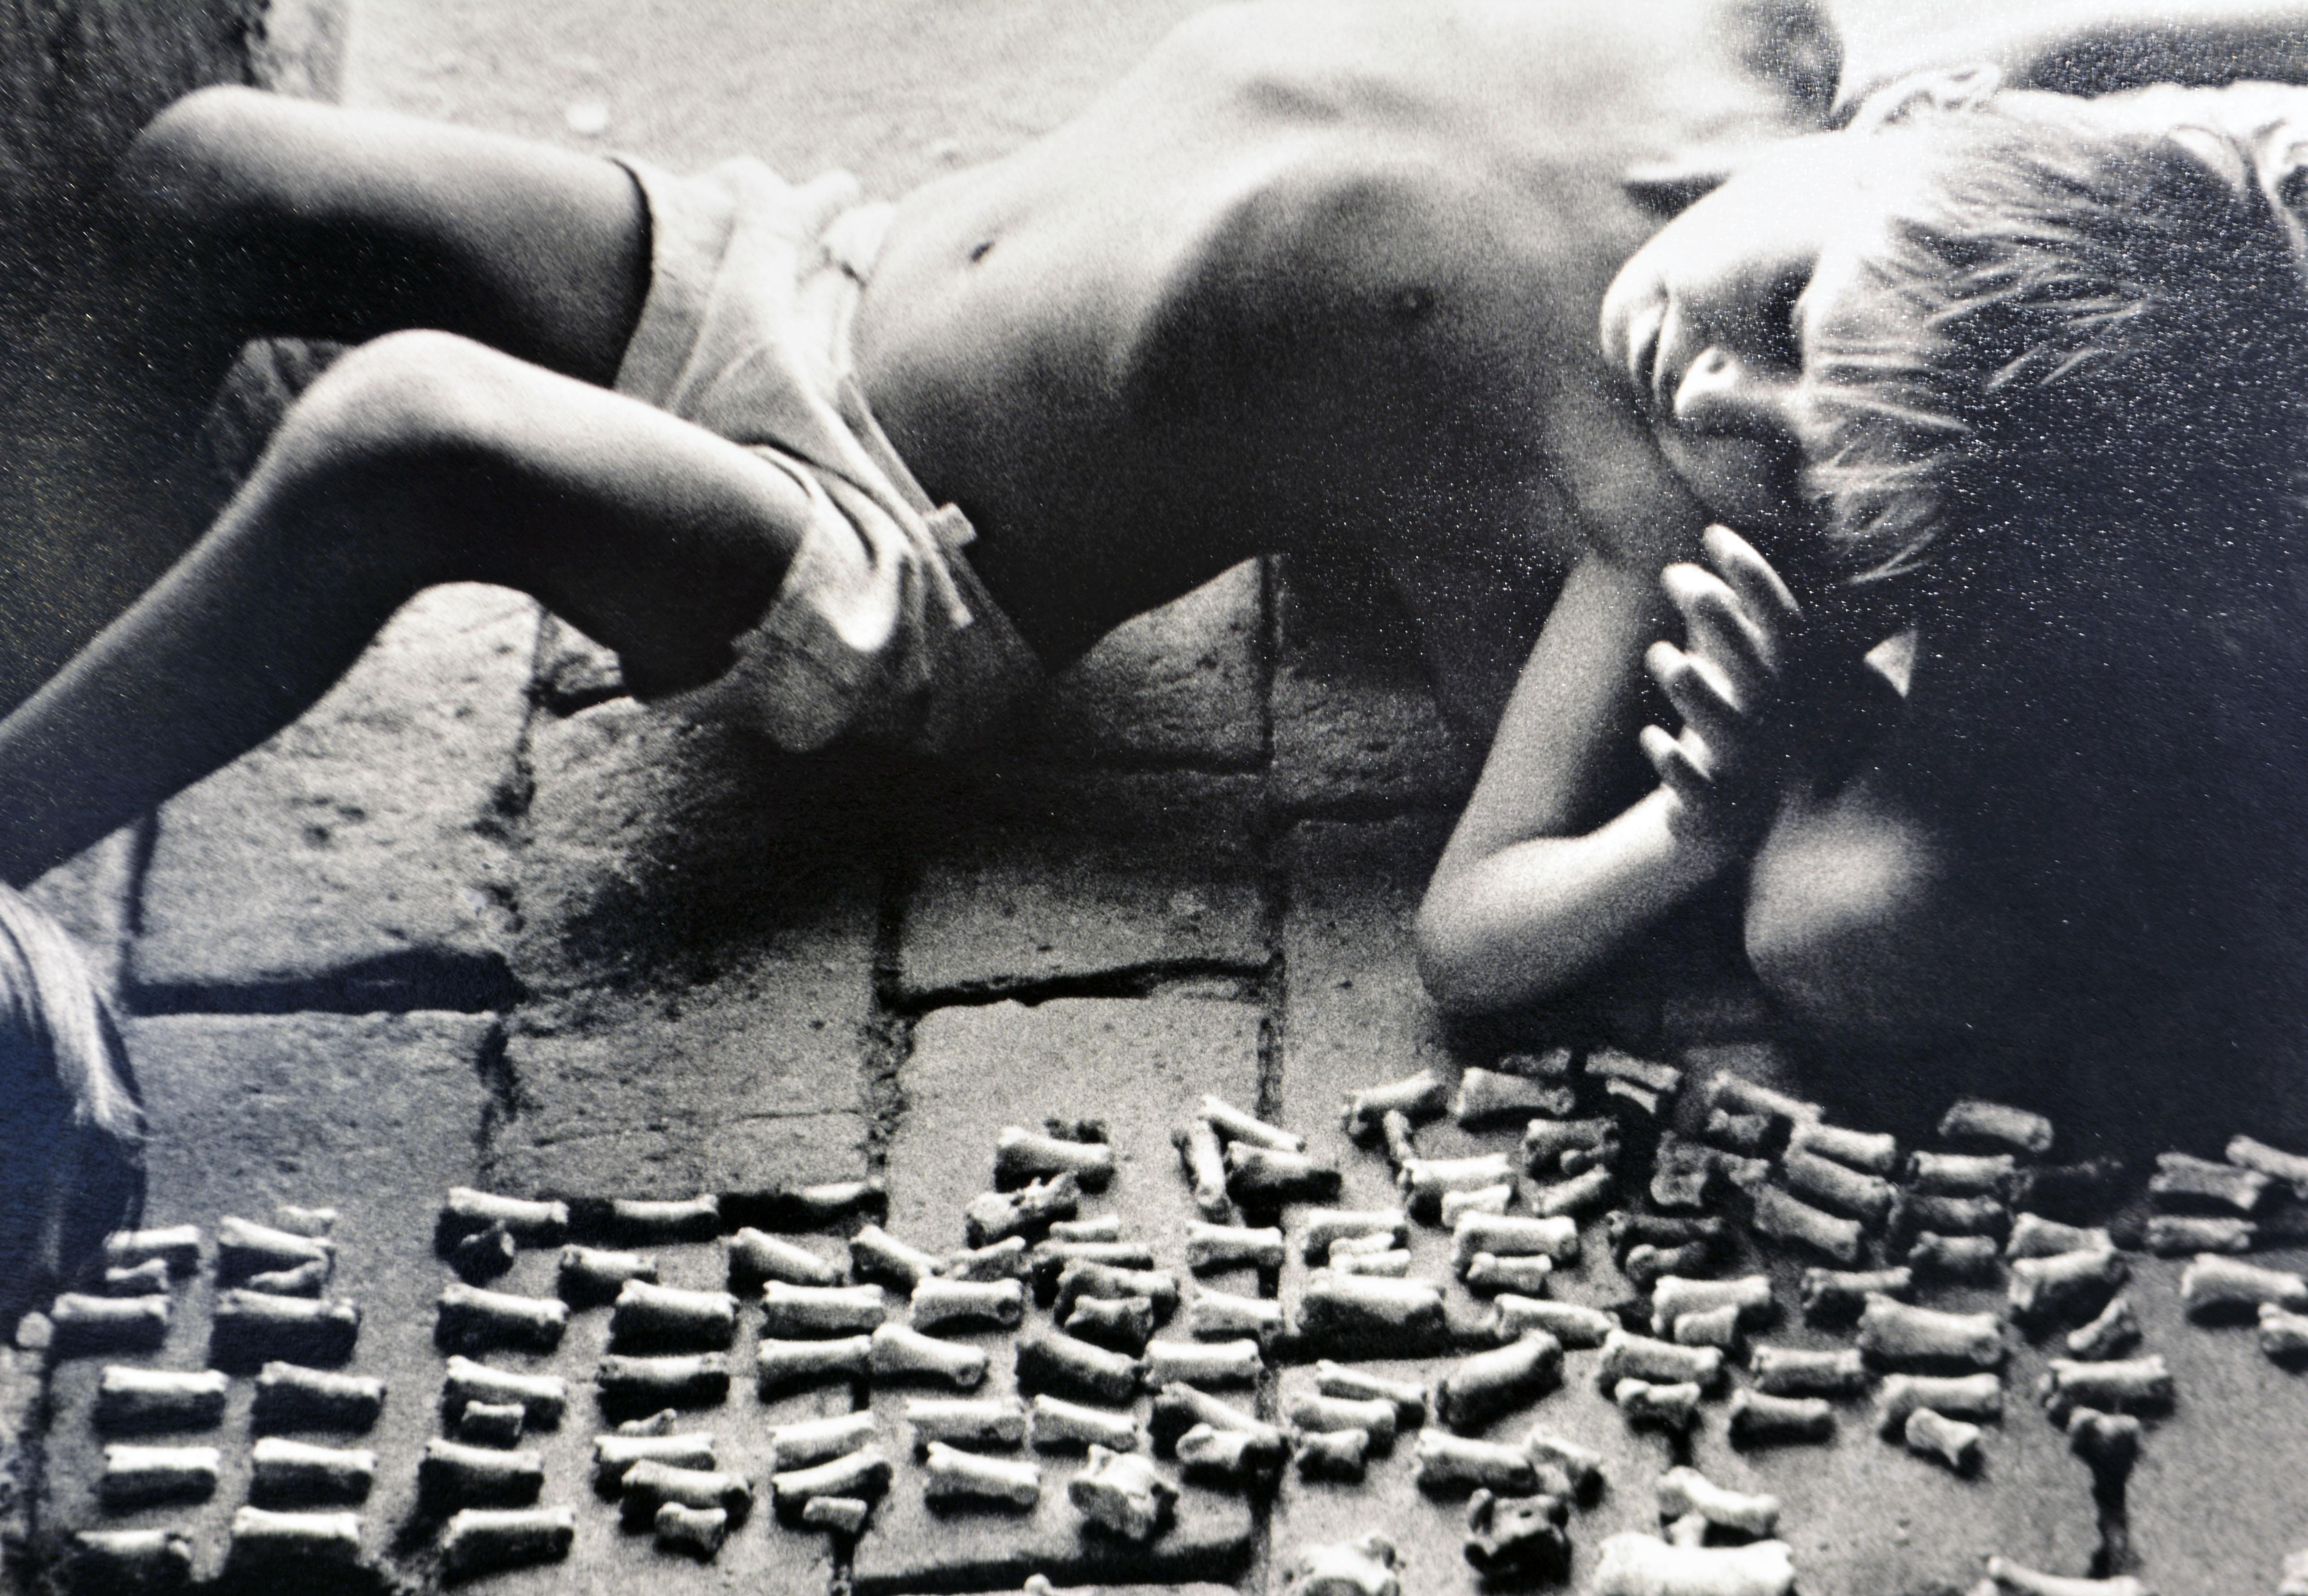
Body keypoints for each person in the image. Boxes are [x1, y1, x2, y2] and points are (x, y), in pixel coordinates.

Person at [1417, 72, 2308, 1135]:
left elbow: (1471, 941)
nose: (1705, 398)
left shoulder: (1788, 512)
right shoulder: (1949, 154)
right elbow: (1465, 943)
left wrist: (1712, 815)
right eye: (1789, 313)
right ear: (1898, 124)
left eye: (1805, 472)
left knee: (1856, 930)